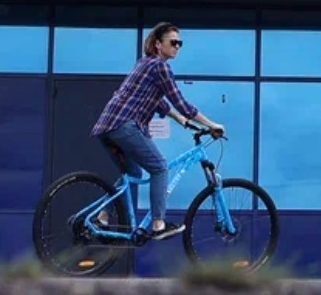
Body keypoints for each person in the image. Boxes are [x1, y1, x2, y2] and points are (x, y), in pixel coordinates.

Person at [90, 22, 225, 241]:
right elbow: (181, 103)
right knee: (160, 167)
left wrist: (178, 119)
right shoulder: (161, 67)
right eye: (173, 42)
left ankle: (102, 216)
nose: (177, 46)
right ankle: (158, 225)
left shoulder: (144, 63)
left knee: (133, 174)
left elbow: (157, 100)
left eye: (180, 43)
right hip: (124, 126)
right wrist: (212, 125)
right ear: (158, 44)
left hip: (107, 126)